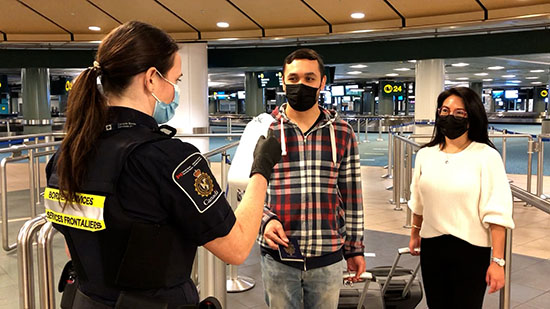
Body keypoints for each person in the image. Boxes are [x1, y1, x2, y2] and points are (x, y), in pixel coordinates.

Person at [44, 21, 281, 308]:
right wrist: (260, 167)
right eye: (176, 80)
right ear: (152, 79)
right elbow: (237, 247)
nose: (175, 91)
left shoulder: (66, 154)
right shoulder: (168, 158)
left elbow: (78, 240)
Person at [258, 48, 365, 309]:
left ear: (322, 82)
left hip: (327, 257)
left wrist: (355, 248)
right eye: (293, 79)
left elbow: (352, 195)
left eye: (309, 78)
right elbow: (244, 191)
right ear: (282, 81)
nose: (301, 85)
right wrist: (265, 220)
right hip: (278, 258)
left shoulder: (342, 132)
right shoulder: (264, 128)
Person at [407, 87, 515, 309]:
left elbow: (497, 213)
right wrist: (415, 233)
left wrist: (498, 261)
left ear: (471, 117)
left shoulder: (486, 156)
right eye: (445, 111)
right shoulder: (426, 155)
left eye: (459, 113)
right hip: (432, 247)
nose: (450, 117)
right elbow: (418, 200)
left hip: (471, 250)